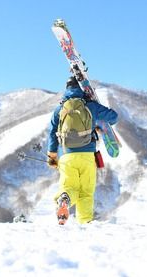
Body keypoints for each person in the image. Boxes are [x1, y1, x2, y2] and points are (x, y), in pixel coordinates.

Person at [47, 76, 118, 224]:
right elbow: (114, 117)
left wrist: (52, 156)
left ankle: (65, 198)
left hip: (66, 156)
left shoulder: (59, 109)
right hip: (87, 156)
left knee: (69, 187)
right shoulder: (90, 105)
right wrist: (97, 121)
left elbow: (52, 133)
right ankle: (85, 224)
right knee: (86, 192)